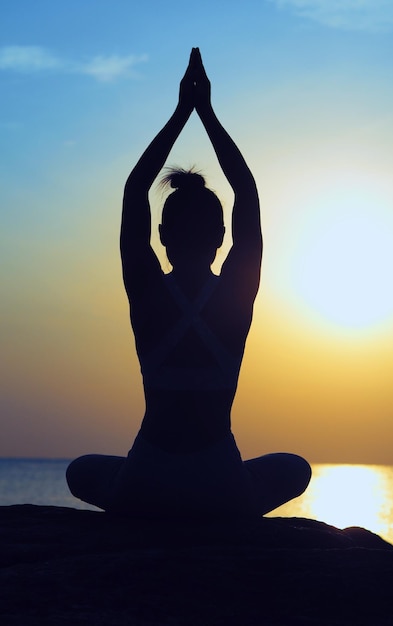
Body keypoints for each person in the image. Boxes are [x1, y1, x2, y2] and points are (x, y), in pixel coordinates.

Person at [66, 48, 311, 518]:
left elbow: (136, 188)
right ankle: (230, 507)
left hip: (146, 478)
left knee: (80, 470)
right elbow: (247, 191)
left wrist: (182, 112)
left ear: (161, 237)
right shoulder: (236, 293)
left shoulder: (147, 290)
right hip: (220, 482)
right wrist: (208, 115)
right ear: (222, 237)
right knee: (295, 467)